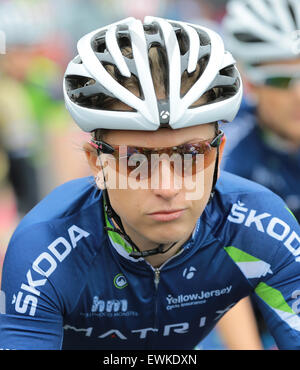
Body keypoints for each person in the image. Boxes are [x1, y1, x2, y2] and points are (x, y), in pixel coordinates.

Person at [0, 16, 299, 350]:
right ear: (96, 162)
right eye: (135, 159)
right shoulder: (45, 247)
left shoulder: (260, 224)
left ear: (219, 153)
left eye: (191, 154)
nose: (168, 187)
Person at [221, 0, 300, 348]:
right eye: (282, 79)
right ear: (250, 82)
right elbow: (218, 275)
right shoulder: (231, 151)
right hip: (247, 312)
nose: (299, 93)